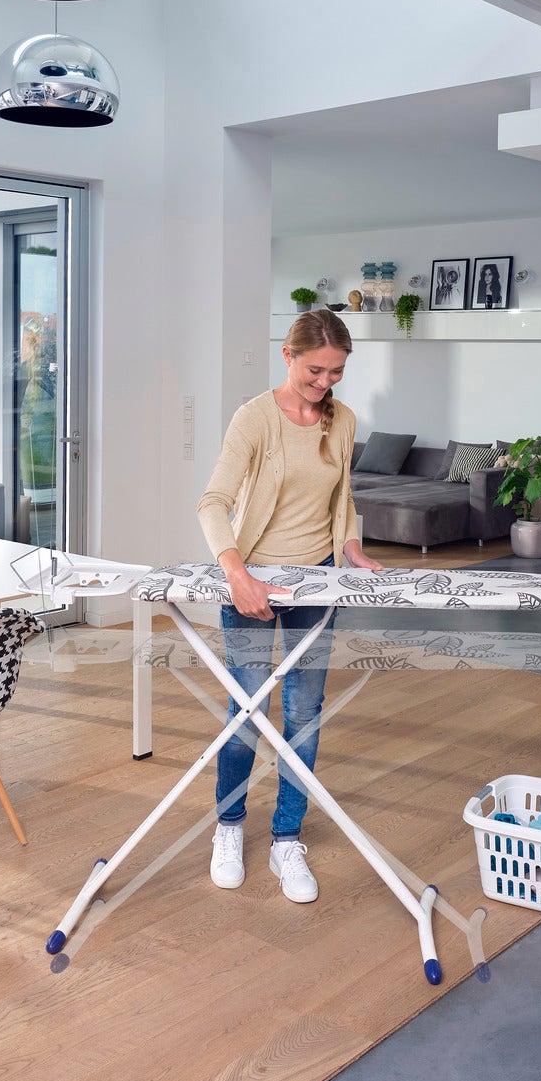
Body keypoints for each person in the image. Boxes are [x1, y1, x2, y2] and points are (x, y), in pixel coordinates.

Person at [196, 308, 381, 903]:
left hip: (317, 583)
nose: (325, 383)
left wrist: (351, 547)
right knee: (247, 710)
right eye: (315, 370)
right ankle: (229, 828)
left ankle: (286, 838)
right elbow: (212, 503)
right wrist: (238, 576)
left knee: (304, 711)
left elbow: (342, 495)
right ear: (288, 356)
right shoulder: (254, 419)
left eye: (336, 372)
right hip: (253, 580)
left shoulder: (343, 420)